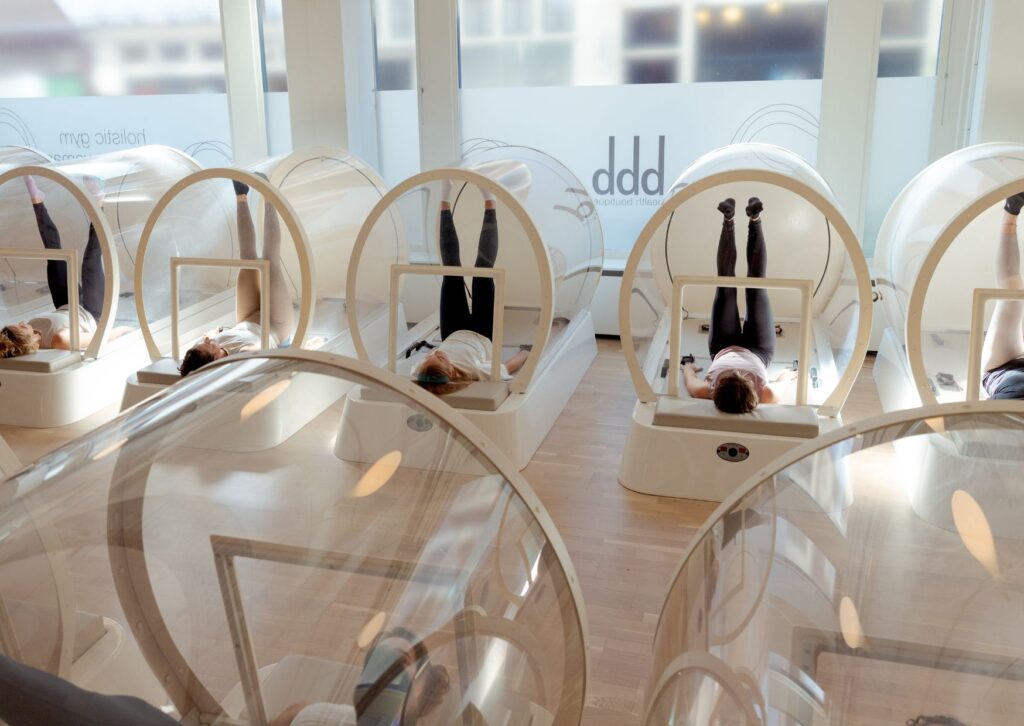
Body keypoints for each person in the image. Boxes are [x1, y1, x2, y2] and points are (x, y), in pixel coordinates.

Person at [412, 181, 529, 395]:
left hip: (452, 330)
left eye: (430, 356)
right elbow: (505, 369)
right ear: (451, 371)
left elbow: (421, 376)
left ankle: (444, 201)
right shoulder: (474, 370)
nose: (434, 353)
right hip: (482, 332)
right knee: (483, 270)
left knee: (451, 269)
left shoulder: (423, 370)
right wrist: (526, 353)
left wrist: (433, 360)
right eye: (439, 357)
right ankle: (490, 203)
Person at [682, 197, 796, 413]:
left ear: (718, 386)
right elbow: (784, 380)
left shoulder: (707, 390)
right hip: (759, 351)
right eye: (742, 376)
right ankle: (755, 219)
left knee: (725, 284)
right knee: (756, 287)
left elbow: (690, 380)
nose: (737, 371)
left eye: (730, 375)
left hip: (722, 347)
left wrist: (688, 367)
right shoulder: (767, 394)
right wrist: (788, 374)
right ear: (753, 388)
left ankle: (728, 220)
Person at [178, 177, 294, 377]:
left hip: (247, 318)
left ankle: (241, 195)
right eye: (208, 346)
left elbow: (208, 340)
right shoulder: (243, 354)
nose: (206, 341)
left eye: (203, 343)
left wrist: (212, 337)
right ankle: (269, 196)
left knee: (247, 260)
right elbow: (258, 353)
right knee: (270, 262)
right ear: (216, 360)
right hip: (276, 326)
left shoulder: (205, 349)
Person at [0, 175, 105, 359]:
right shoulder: (58, 339)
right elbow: (101, 338)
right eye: (21, 327)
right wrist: (127, 332)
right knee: (91, 260)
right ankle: (98, 203)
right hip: (91, 312)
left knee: (54, 254)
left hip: (66, 304)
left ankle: (37, 200)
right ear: (24, 339)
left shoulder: (32, 326)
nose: (22, 322)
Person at [272, 627, 450, 726]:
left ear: (421, 685)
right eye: (378, 659)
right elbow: (296, 711)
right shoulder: (315, 716)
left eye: (398, 662)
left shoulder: (313, 715)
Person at [980, 192, 1024, 399]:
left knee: (1011, 297)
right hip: (1012, 368)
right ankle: (1011, 212)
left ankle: (1010, 213)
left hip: (1007, 365)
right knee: (1012, 296)